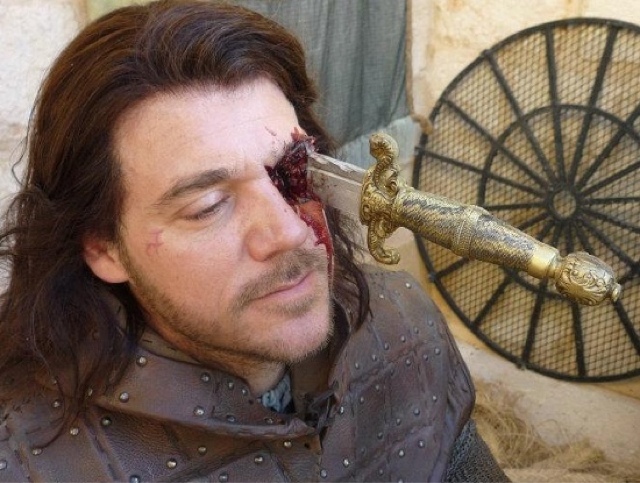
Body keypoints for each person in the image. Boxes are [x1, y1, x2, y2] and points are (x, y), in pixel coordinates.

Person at [0, 1, 508, 481]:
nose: (289, 232)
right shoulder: (25, 460)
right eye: (208, 206)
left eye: (296, 173)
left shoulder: (406, 322)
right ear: (103, 247)